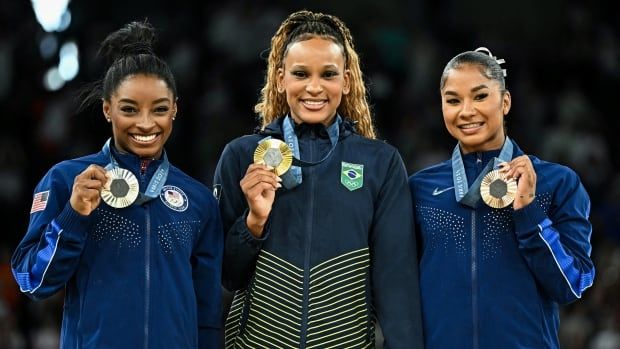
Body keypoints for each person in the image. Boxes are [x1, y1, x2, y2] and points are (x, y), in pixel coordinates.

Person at [214, 9, 423, 349]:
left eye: (328, 74)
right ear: (281, 79)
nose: (314, 87)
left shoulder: (380, 163)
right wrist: (253, 223)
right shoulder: (242, 157)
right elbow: (226, 275)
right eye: (300, 74)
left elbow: (396, 282)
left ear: (347, 80)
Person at [11, 21, 223, 348]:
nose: (145, 123)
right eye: (129, 109)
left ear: (175, 110)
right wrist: (73, 215)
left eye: (160, 109)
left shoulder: (198, 200)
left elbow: (207, 317)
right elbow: (31, 280)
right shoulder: (67, 181)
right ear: (108, 109)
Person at [409, 47, 595, 348]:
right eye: (453, 100)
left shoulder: (558, 182)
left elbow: (572, 286)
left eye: (480, 96)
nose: (466, 111)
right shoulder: (419, 188)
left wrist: (529, 212)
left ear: (505, 101)